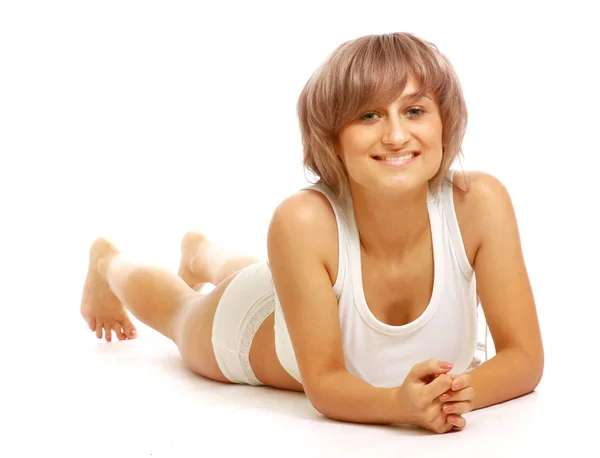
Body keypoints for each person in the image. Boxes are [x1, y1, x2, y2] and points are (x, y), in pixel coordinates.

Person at [80, 32, 544, 434]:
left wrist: (454, 394)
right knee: (182, 313)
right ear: (332, 138)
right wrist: (398, 408)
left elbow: (524, 357)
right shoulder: (300, 221)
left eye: (415, 110)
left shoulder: (479, 202)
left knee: (280, 277)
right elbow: (323, 383)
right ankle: (108, 262)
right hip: (256, 324)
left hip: (310, 283)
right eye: (368, 116)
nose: (397, 135)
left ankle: (201, 252)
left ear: (445, 121)